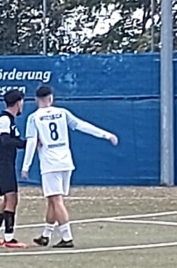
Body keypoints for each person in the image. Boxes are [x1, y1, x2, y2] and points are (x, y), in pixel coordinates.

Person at [21, 85, 118, 248]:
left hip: (50, 163)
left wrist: (26, 166)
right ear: (51, 98)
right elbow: (82, 125)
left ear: (37, 99)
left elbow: (31, 142)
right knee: (52, 199)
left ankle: (67, 237)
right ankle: (46, 235)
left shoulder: (34, 118)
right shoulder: (62, 113)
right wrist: (106, 135)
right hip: (65, 161)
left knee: (56, 200)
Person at [0, 89, 28, 248]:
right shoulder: (4, 119)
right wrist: (27, 143)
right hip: (2, 164)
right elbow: (5, 141)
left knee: (7, 199)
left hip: (7, 163)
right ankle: (9, 238)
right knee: (12, 199)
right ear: (18, 103)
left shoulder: (10, 120)